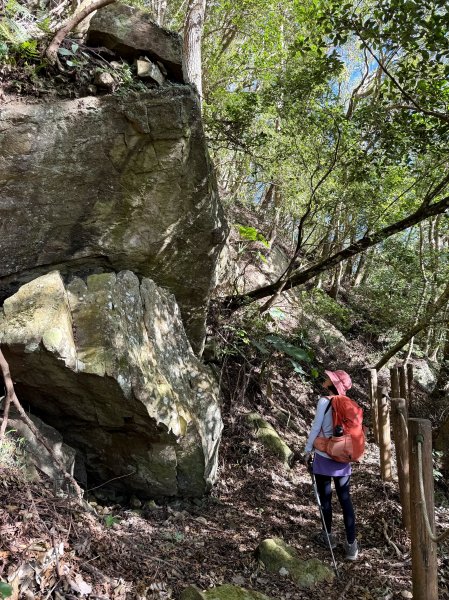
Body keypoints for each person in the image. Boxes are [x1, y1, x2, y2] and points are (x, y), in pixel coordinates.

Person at [304, 369, 359, 560]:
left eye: (329, 378)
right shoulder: (349, 404)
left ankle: (328, 537)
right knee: (345, 500)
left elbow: (316, 427)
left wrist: (307, 450)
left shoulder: (324, 402)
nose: (325, 379)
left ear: (333, 384)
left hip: (324, 455)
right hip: (343, 457)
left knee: (325, 499)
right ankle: (352, 545)